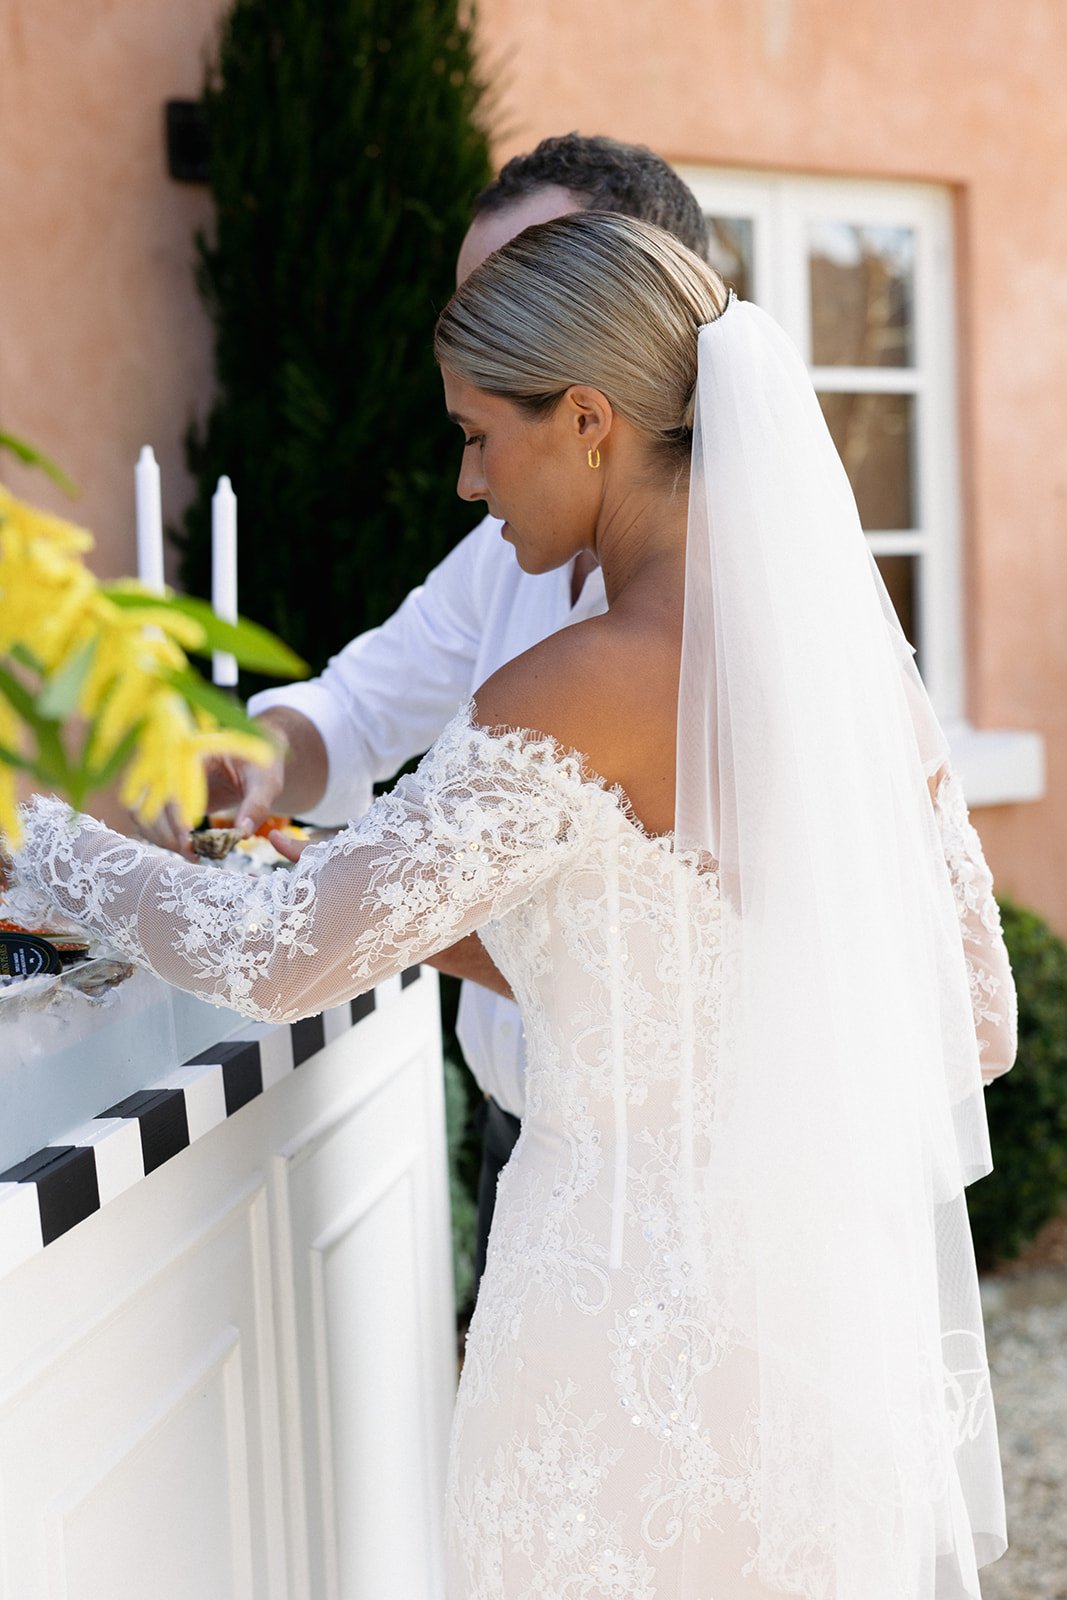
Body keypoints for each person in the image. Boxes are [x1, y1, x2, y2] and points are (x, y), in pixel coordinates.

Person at [7, 211, 1015, 1597]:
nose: (467, 482)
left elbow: (281, 957)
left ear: (588, 421)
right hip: (823, 1343)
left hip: (608, 1352)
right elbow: (970, 1018)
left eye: (481, 433)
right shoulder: (862, 674)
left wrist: (39, 844)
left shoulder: (567, 685)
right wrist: (556, 950)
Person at [143, 132, 713, 1291]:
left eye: (520, 304)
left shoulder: (694, 642)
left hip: (694, 1193)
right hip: (533, 1142)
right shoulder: (510, 556)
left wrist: (39, 847)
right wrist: (255, 766)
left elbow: (286, 953)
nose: (480, 349)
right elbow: (356, 706)